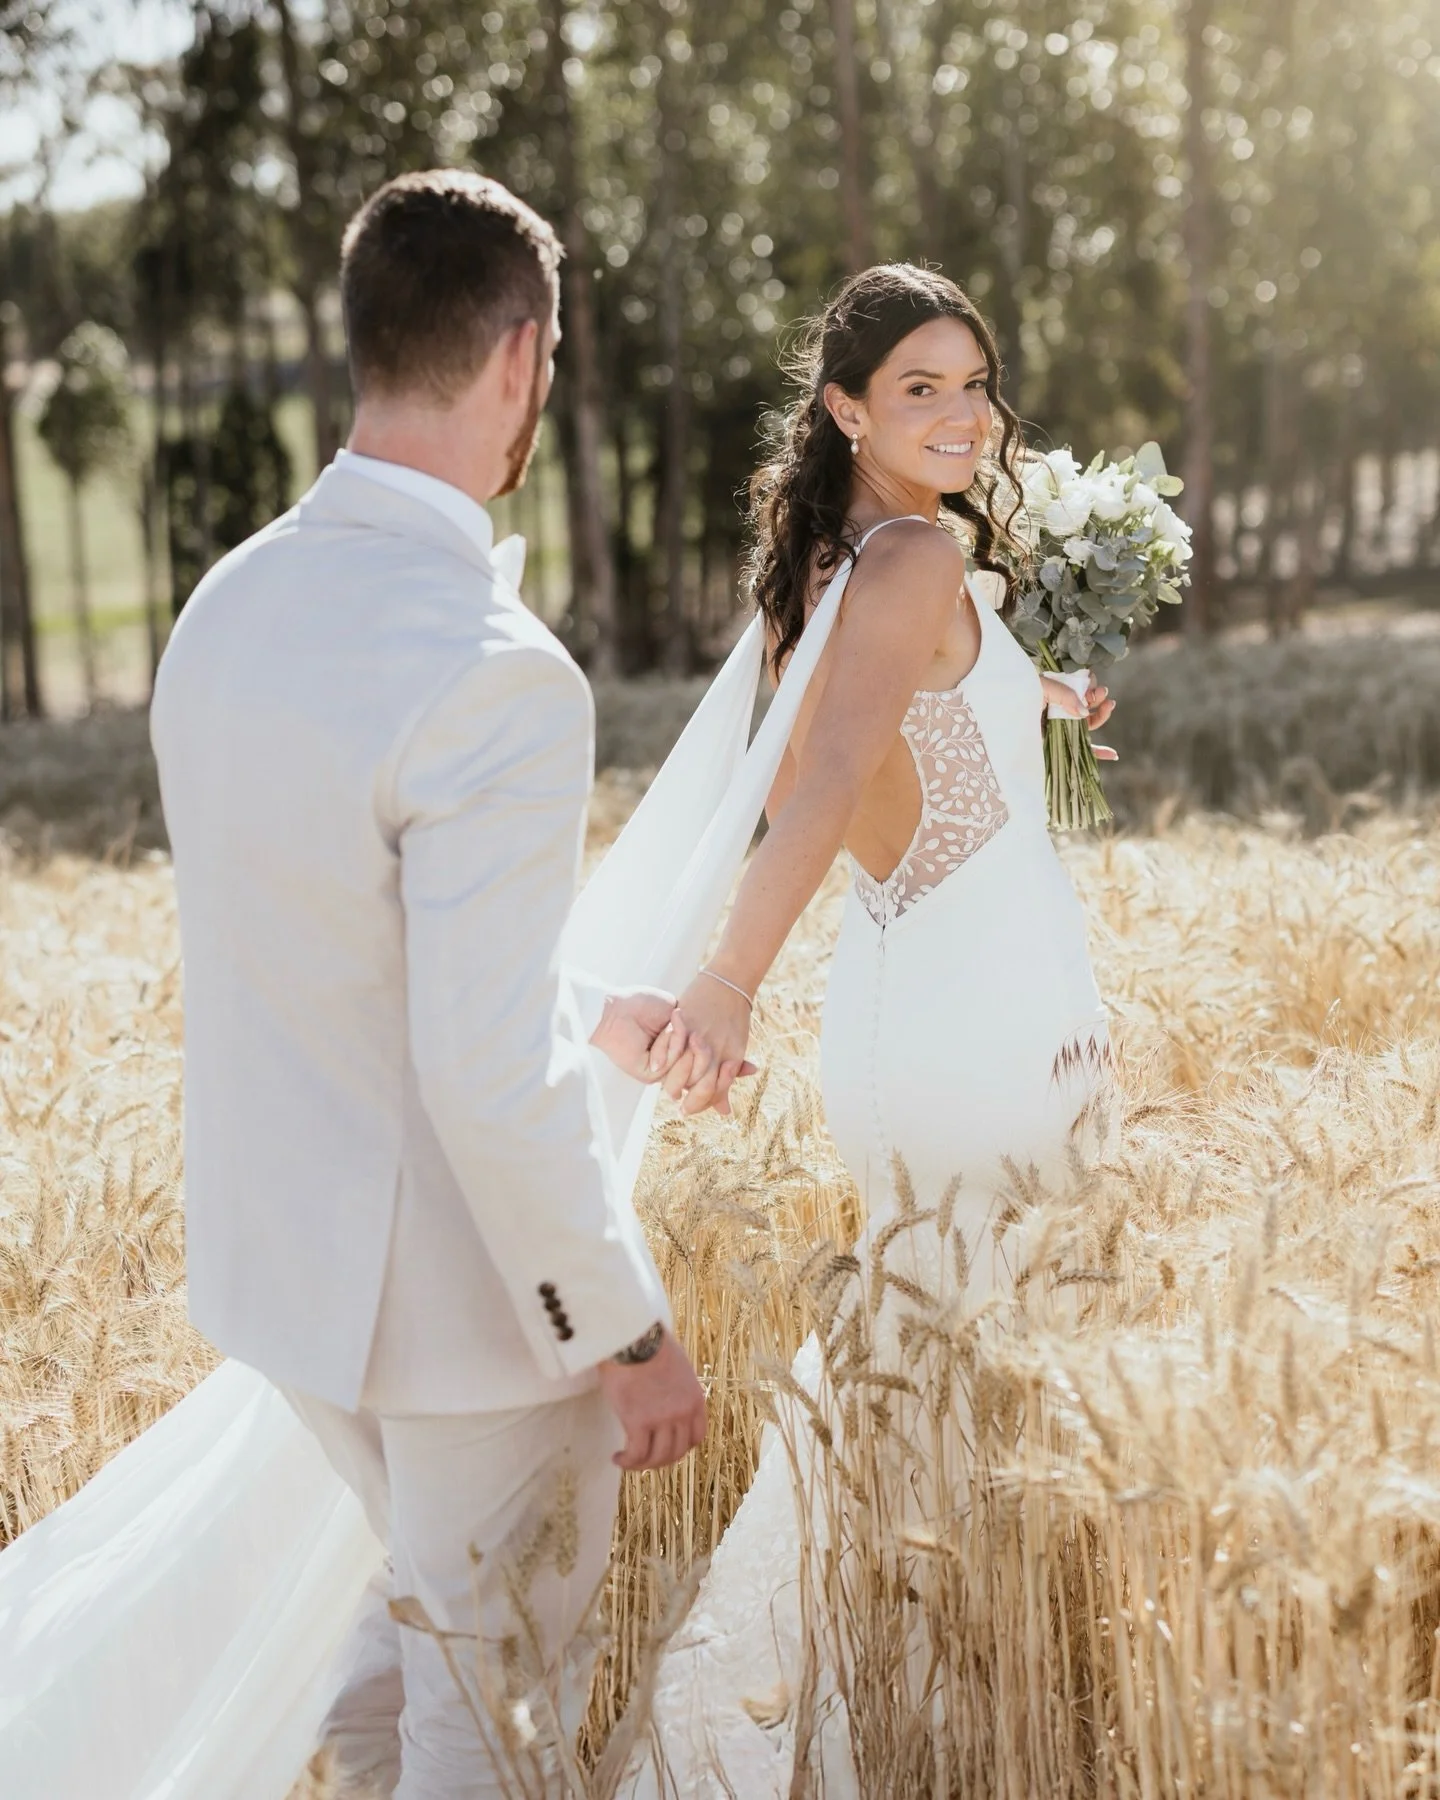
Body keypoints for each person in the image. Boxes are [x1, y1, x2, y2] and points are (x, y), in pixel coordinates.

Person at [148, 169, 714, 1799]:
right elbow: (482, 1074)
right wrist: (627, 1329)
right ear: (524, 357)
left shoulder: (228, 603)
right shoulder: (496, 671)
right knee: (500, 1709)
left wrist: (589, 1005)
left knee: (412, 1647)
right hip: (468, 1323)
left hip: (286, 1283)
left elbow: (334, 926)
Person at [629, 262, 1118, 1795]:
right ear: (845, 408)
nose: (964, 412)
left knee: (926, 1385)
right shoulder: (911, 558)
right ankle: (938, 1730)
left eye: (975, 384)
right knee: (985, 1392)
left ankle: (891, 1717)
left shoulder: (836, 571)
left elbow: (891, 747)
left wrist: (1038, 694)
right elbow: (832, 781)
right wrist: (724, 986)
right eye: (922, 388)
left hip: (920, 1011)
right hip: (985, 1022)